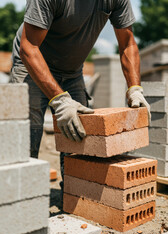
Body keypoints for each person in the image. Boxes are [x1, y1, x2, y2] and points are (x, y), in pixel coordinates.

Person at [11, 0, 150, 188]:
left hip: (72, 71)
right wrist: (60, 101)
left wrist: (135, 89)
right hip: (30, 64)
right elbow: (29, 47)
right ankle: (21, 201)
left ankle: (71, 195)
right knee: (26, 138)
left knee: (79, 137)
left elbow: (127, 44)